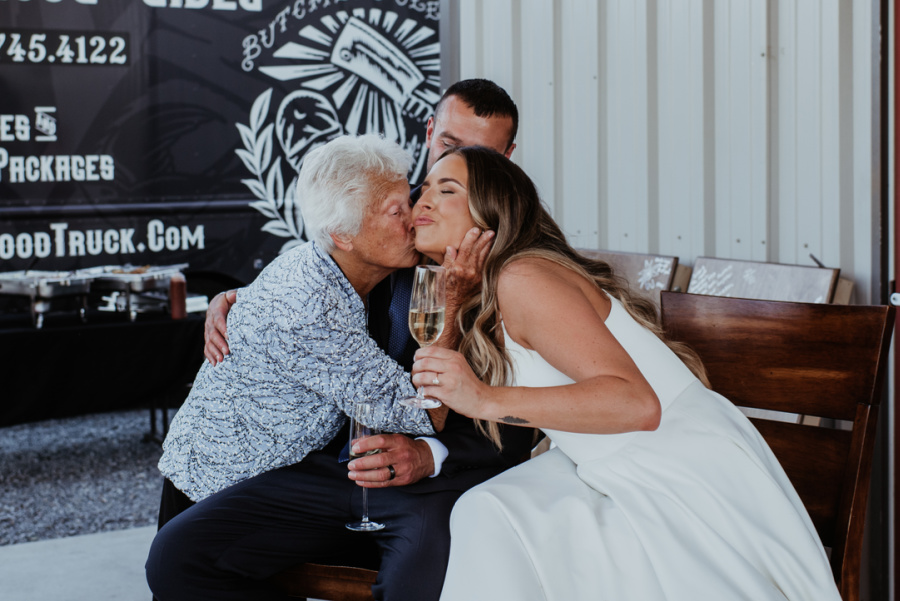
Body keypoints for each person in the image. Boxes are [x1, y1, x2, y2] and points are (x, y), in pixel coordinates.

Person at [147, 83, 535, 601]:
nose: (419, 209)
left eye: (481, 153)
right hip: (234, 481)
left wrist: (433, 452)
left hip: (404, 479)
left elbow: (520, 410)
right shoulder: (383, 231)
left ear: (508, 158)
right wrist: (251, 300)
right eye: (449, 144)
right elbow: (315, 287)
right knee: (187, 564)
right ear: (428, 136)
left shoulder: (501, 262)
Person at [408, 146, 842, 600]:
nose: (425, 200)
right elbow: (434, 406)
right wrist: (454, 300)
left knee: (505, 523)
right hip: (606, 461)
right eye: (424, 189)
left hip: (675, 465)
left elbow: (636, 403)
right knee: (487, 509)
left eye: (448, 189)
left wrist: (485, 399)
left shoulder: (524, 278)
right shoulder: (491, 287)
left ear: (493, 211)